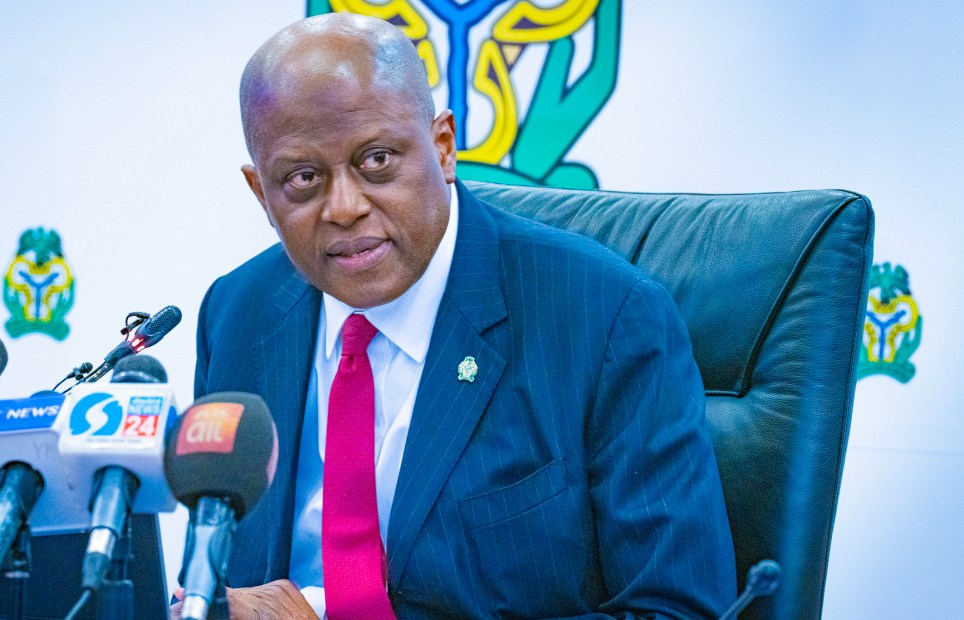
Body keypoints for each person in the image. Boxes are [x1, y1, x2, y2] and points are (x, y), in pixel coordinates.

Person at [186, 12, 736, 619]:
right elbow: (216, 572)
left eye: (376, 160)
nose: (343, 208)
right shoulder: (236, 315)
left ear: (443, 146)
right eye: (303, 178)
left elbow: (678, 611)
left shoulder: (605, 318)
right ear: (262, 195)